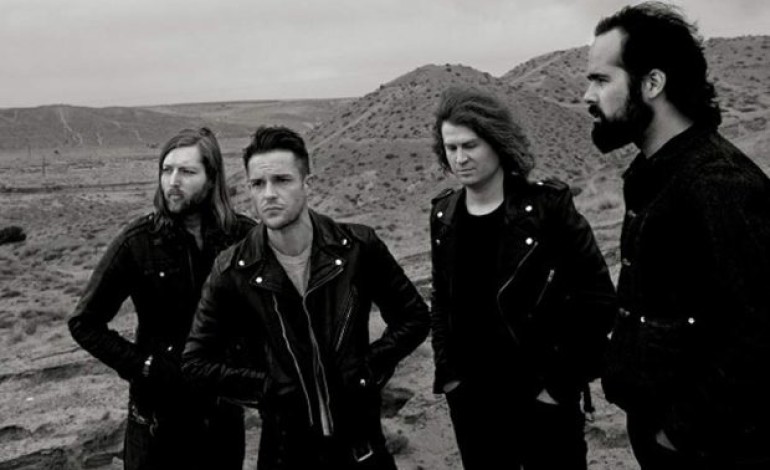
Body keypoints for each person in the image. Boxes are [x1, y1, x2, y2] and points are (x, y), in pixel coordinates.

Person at [584, 3, 770, 468]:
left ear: (652, 83)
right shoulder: (654, 175)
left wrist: (679, 432)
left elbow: (759, 331)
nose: (588, 95)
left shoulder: (719, 184)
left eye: (602, 79)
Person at [182, 125, 430, 469]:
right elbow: (195, 363)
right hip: (284, 453)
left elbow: (414, 317)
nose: (269, 194)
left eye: (282, 180)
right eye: (258, 184)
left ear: (306, 184)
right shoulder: (232, 270)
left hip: (362, 448)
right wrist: (267, 388)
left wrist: (366, 369)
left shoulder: (358, 247)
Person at [429, 86, 616, 469]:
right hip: (473, 404)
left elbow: (597, 301)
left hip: (543, 400)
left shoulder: (548, 207)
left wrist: (558, 387)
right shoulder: (444, 214)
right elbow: (442, 301)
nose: (460, 158)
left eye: (471, 145)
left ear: (498, 142)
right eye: (451, 148)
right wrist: (450, 377)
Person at [68, 127, 255, 470]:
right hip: (157, 421)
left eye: (187, 172)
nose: (173, 181)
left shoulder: (243, 237)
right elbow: (84, 323)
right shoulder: (138, 242)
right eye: (166, 170)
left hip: (222, 419)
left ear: (212, 179)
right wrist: (145, 366)